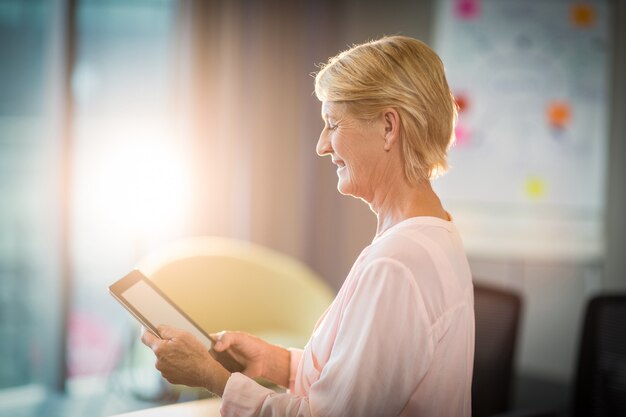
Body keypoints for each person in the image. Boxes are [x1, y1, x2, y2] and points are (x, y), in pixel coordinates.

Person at [141, 35, 475, 417]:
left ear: (388, 127)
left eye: (332, 124)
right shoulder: (437, 234)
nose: (322, 145)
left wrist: (211, 375)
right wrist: (277, 363)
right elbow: (363, 383)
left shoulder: (397, 263)